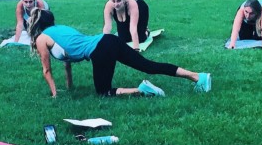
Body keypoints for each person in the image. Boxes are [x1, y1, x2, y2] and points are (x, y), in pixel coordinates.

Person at [28, 9, 210, 97]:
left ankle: (142, 90)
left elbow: (47, 70)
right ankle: (197, 76)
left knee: (103, 92)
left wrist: (54, 94)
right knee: (148, 65)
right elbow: (67, 62)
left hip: (99, 50)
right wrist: (69, 86)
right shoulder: (61, 29)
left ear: (36, 24)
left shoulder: (42, 39)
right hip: (109, 40)